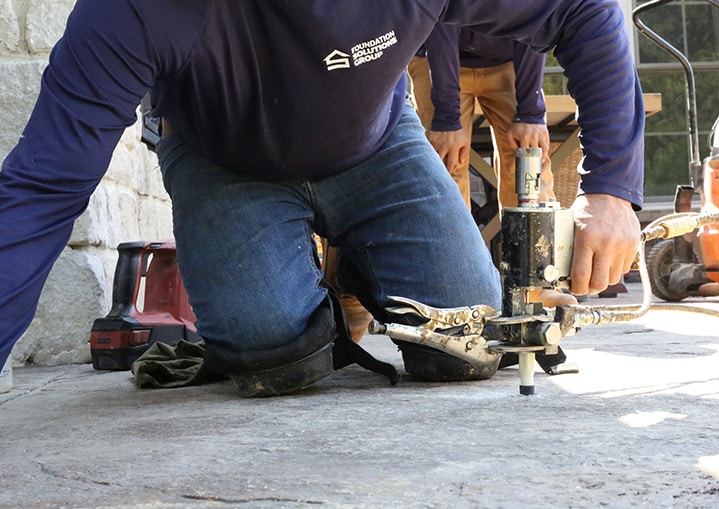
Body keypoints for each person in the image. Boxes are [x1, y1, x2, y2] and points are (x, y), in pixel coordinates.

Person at [0, 0, 644, 397]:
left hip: (377, 140)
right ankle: (303, 289)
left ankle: (365, 262)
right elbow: (43, 187)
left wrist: (612, 191)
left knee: (467, 343)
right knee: (271, 354)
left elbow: (584, 10)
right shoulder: (137, 11)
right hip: (224, 156)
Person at [408, 23, 554, 210]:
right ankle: (453, 230)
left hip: (510, 60)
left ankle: (531, 230)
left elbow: (533, 18)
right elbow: (440, 21)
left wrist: (530, 114)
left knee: (528, 163)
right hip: (435, 58)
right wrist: (446, 120)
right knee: (445, 167)